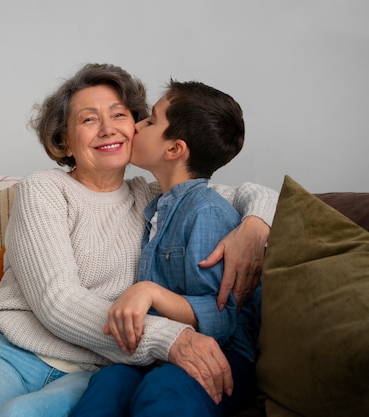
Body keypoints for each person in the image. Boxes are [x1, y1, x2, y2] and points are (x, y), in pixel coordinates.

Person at [0, 63, 277, 417]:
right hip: (13, 352)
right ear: (65, 140)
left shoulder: (156, 198)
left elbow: (247, 195)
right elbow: (57, 302)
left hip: (97, 367)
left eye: (119, 114)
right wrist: (168, 339)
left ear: (136, 126)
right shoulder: (44, 189)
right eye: (89, 119)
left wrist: (255, 227)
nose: (108, 129)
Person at [70, 80, 261, 417]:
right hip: (163, 349)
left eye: (151, 121)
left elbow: (220, 317)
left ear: (174, 150)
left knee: (164, 390)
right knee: (107, 384)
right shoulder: (155, 204)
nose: (137, 125)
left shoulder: (206, 212)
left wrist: (150, 292)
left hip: (222, 356)